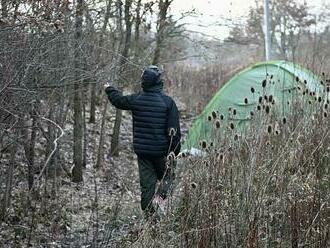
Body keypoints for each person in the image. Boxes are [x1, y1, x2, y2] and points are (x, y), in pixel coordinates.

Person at [104, 65, 181, 218]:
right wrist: (174, 152)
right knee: (169, 177)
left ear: (144, 82)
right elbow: (175, 132)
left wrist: (109, 88)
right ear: (159, 82)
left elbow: (118, 100)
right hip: (162, 153)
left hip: (143, 154)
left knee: (147, 187)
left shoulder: (136, 99)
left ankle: (150, 220)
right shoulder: (168, 102)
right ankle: (159, 201)